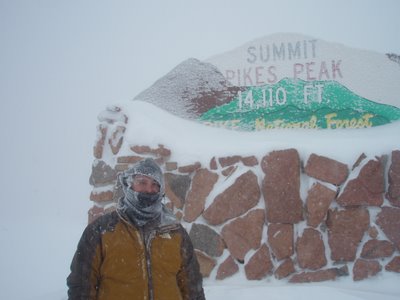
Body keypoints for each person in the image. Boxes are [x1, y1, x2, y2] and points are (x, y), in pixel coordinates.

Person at [67, 158, 205, 300]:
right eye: (142, 182)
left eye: (154, 184)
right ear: (129, 184)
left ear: (161, 190)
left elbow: (192, 285)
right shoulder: (102, 230)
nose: (148, 189)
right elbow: (82, 284)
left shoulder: (175, 231)